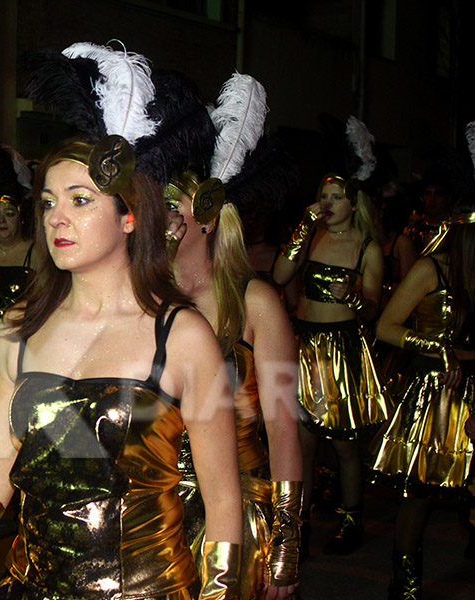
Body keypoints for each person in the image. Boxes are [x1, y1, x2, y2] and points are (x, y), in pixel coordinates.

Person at [0, 40, 244, 600]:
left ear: (128, 217)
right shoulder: (20, 327)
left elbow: (221, 503)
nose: (57, 219)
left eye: (79, 199)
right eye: (47, 202)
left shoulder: (183, 336)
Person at [164, 73, 302, 600]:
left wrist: (286, 547)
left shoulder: (256, 304)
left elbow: (284, 430)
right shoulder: (144, 300)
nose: (159, 221)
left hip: (238, 512)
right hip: (157, 514)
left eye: (171, 209)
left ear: (205, 218)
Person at [272, 123, 391, 557]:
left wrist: (356, 298)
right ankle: (297, 528)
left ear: (354, 202)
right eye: (323, 196)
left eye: (336, 196)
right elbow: (280, 276)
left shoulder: (368, 248)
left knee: (342, 444)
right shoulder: (314, 235)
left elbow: (377, 310)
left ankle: (350, 521)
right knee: (301, 442)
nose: (327, 203)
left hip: (341, 348)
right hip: (304, 345)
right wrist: (303, 228)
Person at [370, 205, 475, 599]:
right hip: (436, 390)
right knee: (420, 491)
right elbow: (386, 326)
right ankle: (406, 581)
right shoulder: (431, 269)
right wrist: (439, 348)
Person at [0, 183, 34, 319]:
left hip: (21, 332)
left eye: (9, 214)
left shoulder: (35, 253)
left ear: (21, 218)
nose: (2, 221)